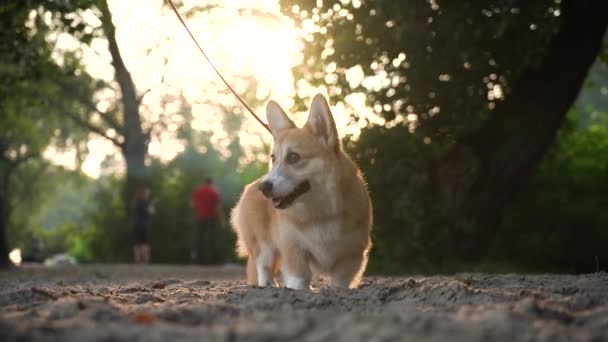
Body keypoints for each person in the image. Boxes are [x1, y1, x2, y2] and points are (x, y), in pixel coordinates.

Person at [191, 177, 222, 264]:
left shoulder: (197, 191)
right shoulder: (215, 191)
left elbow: (193, 205)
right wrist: (221, 220)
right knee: (213, 238)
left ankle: (196, 259)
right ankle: (214, 260)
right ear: (212, 183)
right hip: (212, 217)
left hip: (200, 217)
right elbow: (217, 207)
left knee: (198, 237)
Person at [130, 186, 155, 264]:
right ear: (144, 193)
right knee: (144, 243)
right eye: (147, 193)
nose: (148, 194)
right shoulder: (144, 202)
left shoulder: (135, 202)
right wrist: (152, 204)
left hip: (135, 225)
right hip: (143, 225)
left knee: (137, 243)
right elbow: (151, 212)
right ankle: (145, 260)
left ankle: (137, 260)